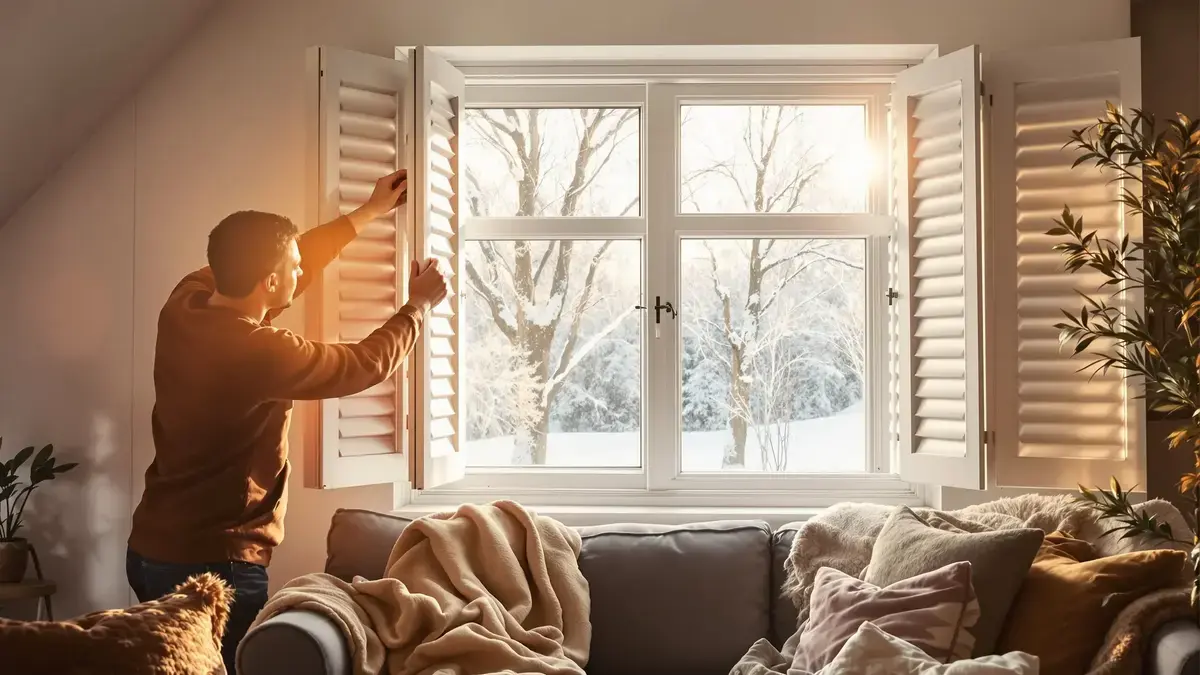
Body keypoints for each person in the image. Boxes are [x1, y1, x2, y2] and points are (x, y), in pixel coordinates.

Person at [125, 168, 446, 672]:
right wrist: (419, 307)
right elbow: (362, 364)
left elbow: (293, 256)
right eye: (292, 269)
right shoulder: (261, 353)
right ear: (270, 280)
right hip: (213, 564)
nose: (302, 274)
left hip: (150, 549)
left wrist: (368, 212)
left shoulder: (185, 300)